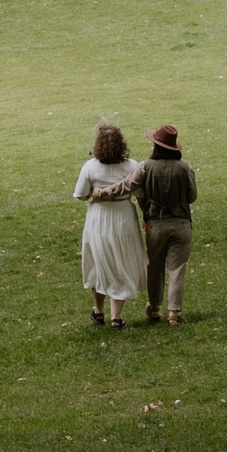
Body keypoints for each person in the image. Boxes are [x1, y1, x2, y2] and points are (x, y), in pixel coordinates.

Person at [119, 123, 196, 325]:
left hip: (156, 225)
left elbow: (128, 185)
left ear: (156, 146)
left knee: (155, 267)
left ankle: (154, 308)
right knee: (177, 269)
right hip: (181, 224)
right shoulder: (185, 168)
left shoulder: (145, 167)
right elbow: (192, 196)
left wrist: (104, 191)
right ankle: (173, 313)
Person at [73, 123, 147, 327]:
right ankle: (116, 317)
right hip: (123, 215)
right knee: (120, 260)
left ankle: (99, 311)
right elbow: (140, 193)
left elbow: (80, 194)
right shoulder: (132, 165)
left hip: (99, 216)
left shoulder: (90, 166)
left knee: (98, 260)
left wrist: (95, 193)